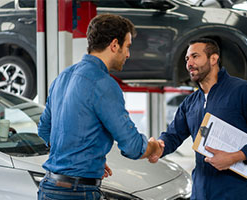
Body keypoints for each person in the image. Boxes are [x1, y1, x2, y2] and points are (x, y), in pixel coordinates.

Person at [37, 14, 162, 200]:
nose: (128, 54)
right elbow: (133, 146)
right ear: (114, 45)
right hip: (77, 193)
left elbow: (44, 130)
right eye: (127, 46)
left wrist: (84, 157)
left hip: (49, 188)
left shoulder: (63, 77)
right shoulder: (104, 84)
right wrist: (154, 147)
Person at [149, 38, 247, 200]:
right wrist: (158, 147)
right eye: (187, 59)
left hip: (235, 192)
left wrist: (235, 157)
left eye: (195, 56)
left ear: (213, 59)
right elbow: (172, 136)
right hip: (200, 191)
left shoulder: (244, 91)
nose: (189, 63)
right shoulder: (190, 102)